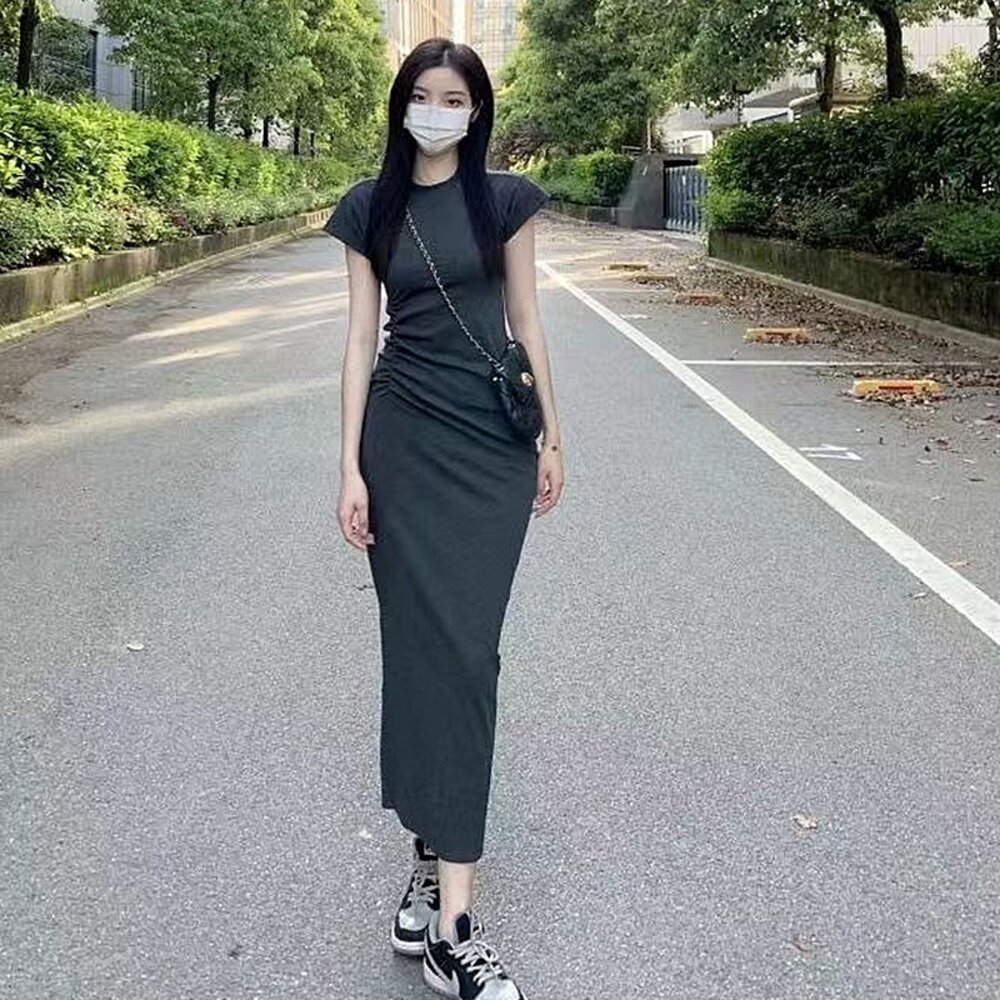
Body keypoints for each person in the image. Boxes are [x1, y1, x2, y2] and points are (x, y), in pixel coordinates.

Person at [324, 35, 564, 1000]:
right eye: (423, 95)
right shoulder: (369, 208)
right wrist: (349, 465)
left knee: (468, 657)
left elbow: (527, 321)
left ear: (476, 111)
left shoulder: (504, 202)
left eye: (454, 98)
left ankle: (441, 895)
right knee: (425, 655)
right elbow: (358, 341)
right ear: (402, 105)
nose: (437, 111)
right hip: (402, 445)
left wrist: (553, 437)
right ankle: (450, 912)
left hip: (490, 450)